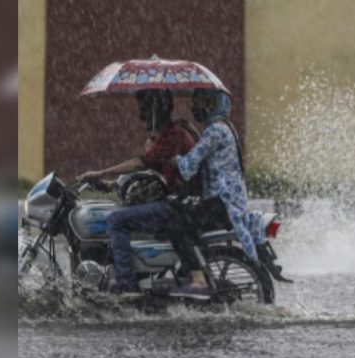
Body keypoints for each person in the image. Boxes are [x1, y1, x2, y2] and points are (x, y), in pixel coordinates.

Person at [77, 89, 198, 293]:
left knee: (116, 220)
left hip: (177, 204)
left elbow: (141, 164)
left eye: (144, 106)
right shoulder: (167, 134)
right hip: (175, 200)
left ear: (157, 108)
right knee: (119, 211)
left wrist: (101, 172)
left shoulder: (173, 135)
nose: (141, 113)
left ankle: (127, 285)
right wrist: (111, 184)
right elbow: (151, 174)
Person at [167, 88, 264, 298]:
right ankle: (199, 263)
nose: (194, 108)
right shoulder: (226, 128)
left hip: (223, 203)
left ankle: (198, 279)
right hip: (229, 201)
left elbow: (191, 164)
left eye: (199, 103)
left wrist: (174, 160)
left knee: (176, 225)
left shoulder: (215, 131)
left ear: (211, 105)